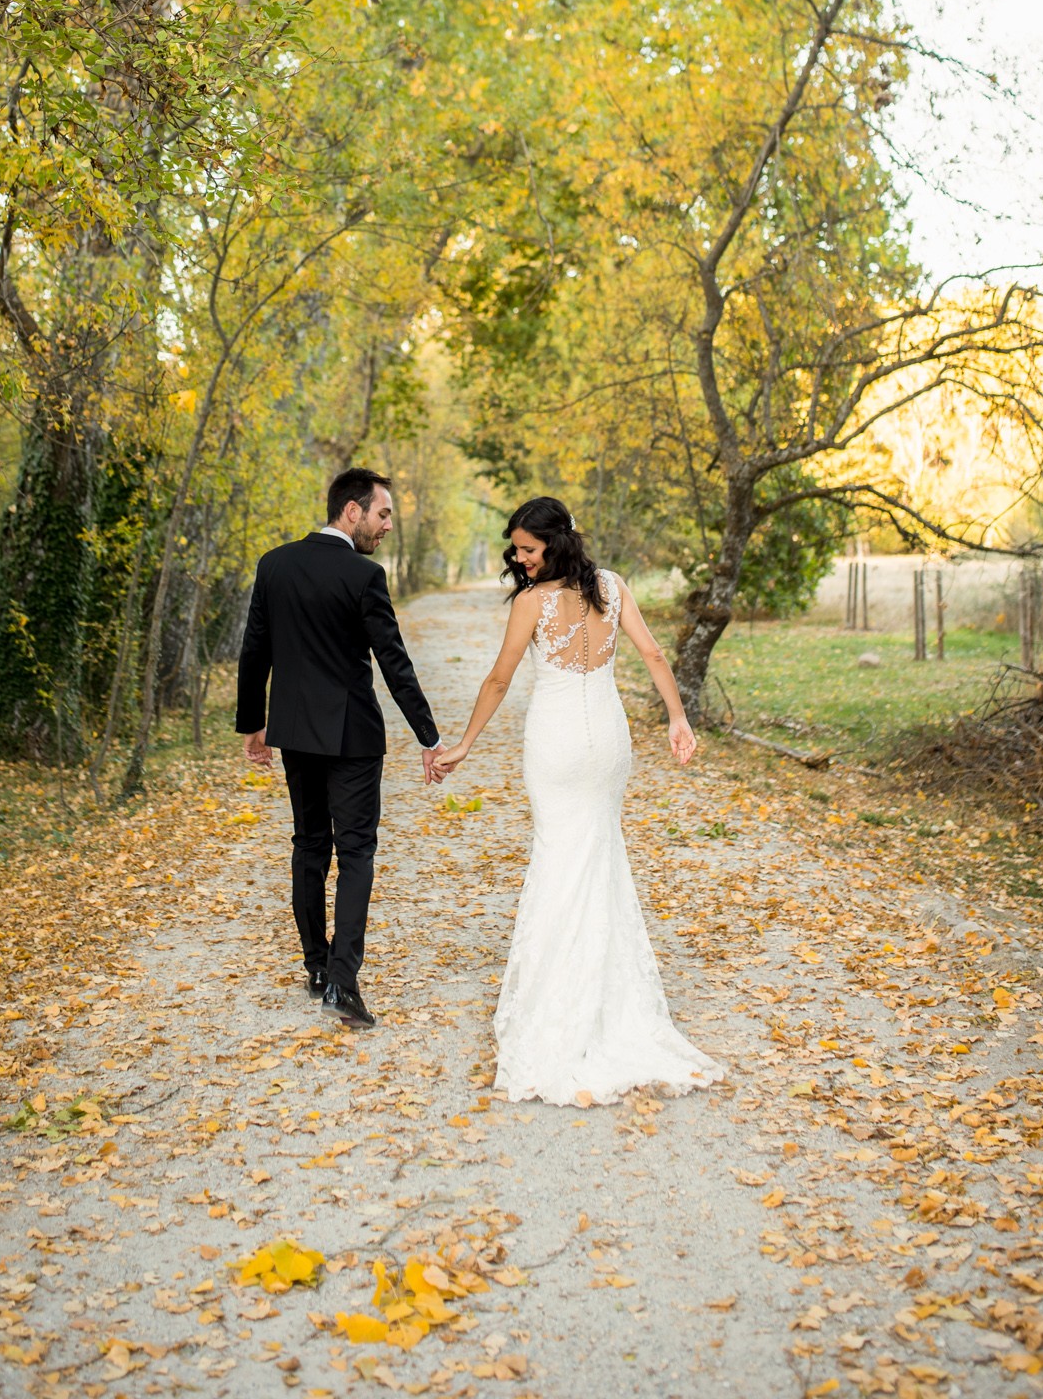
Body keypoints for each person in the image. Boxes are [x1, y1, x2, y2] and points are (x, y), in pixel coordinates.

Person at [433, 495, 723, 1105]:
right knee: (598, 855)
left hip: (559, 743)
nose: (520, 558)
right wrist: (677, 717)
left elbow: (499, 678)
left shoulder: (532, 604)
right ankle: (609, 1000)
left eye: (528, 549)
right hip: (608, 738)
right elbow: (651, 652)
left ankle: (561, 1005)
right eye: (516, 549)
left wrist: (463, 744)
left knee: (562, 857)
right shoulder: (612, 588)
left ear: (555, 544)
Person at [236, 468, 444, 1030]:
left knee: (309, 845)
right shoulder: (363, 575)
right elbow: (393, 662)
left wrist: (253, 722)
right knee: (355, 853)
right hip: (351, 736)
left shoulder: (274, 564)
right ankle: (343, 983)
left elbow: (255, 649)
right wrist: (429, 736)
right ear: (351, 511)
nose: (387, 526)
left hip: (296, 732)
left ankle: (317, 967)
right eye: (383, 514)